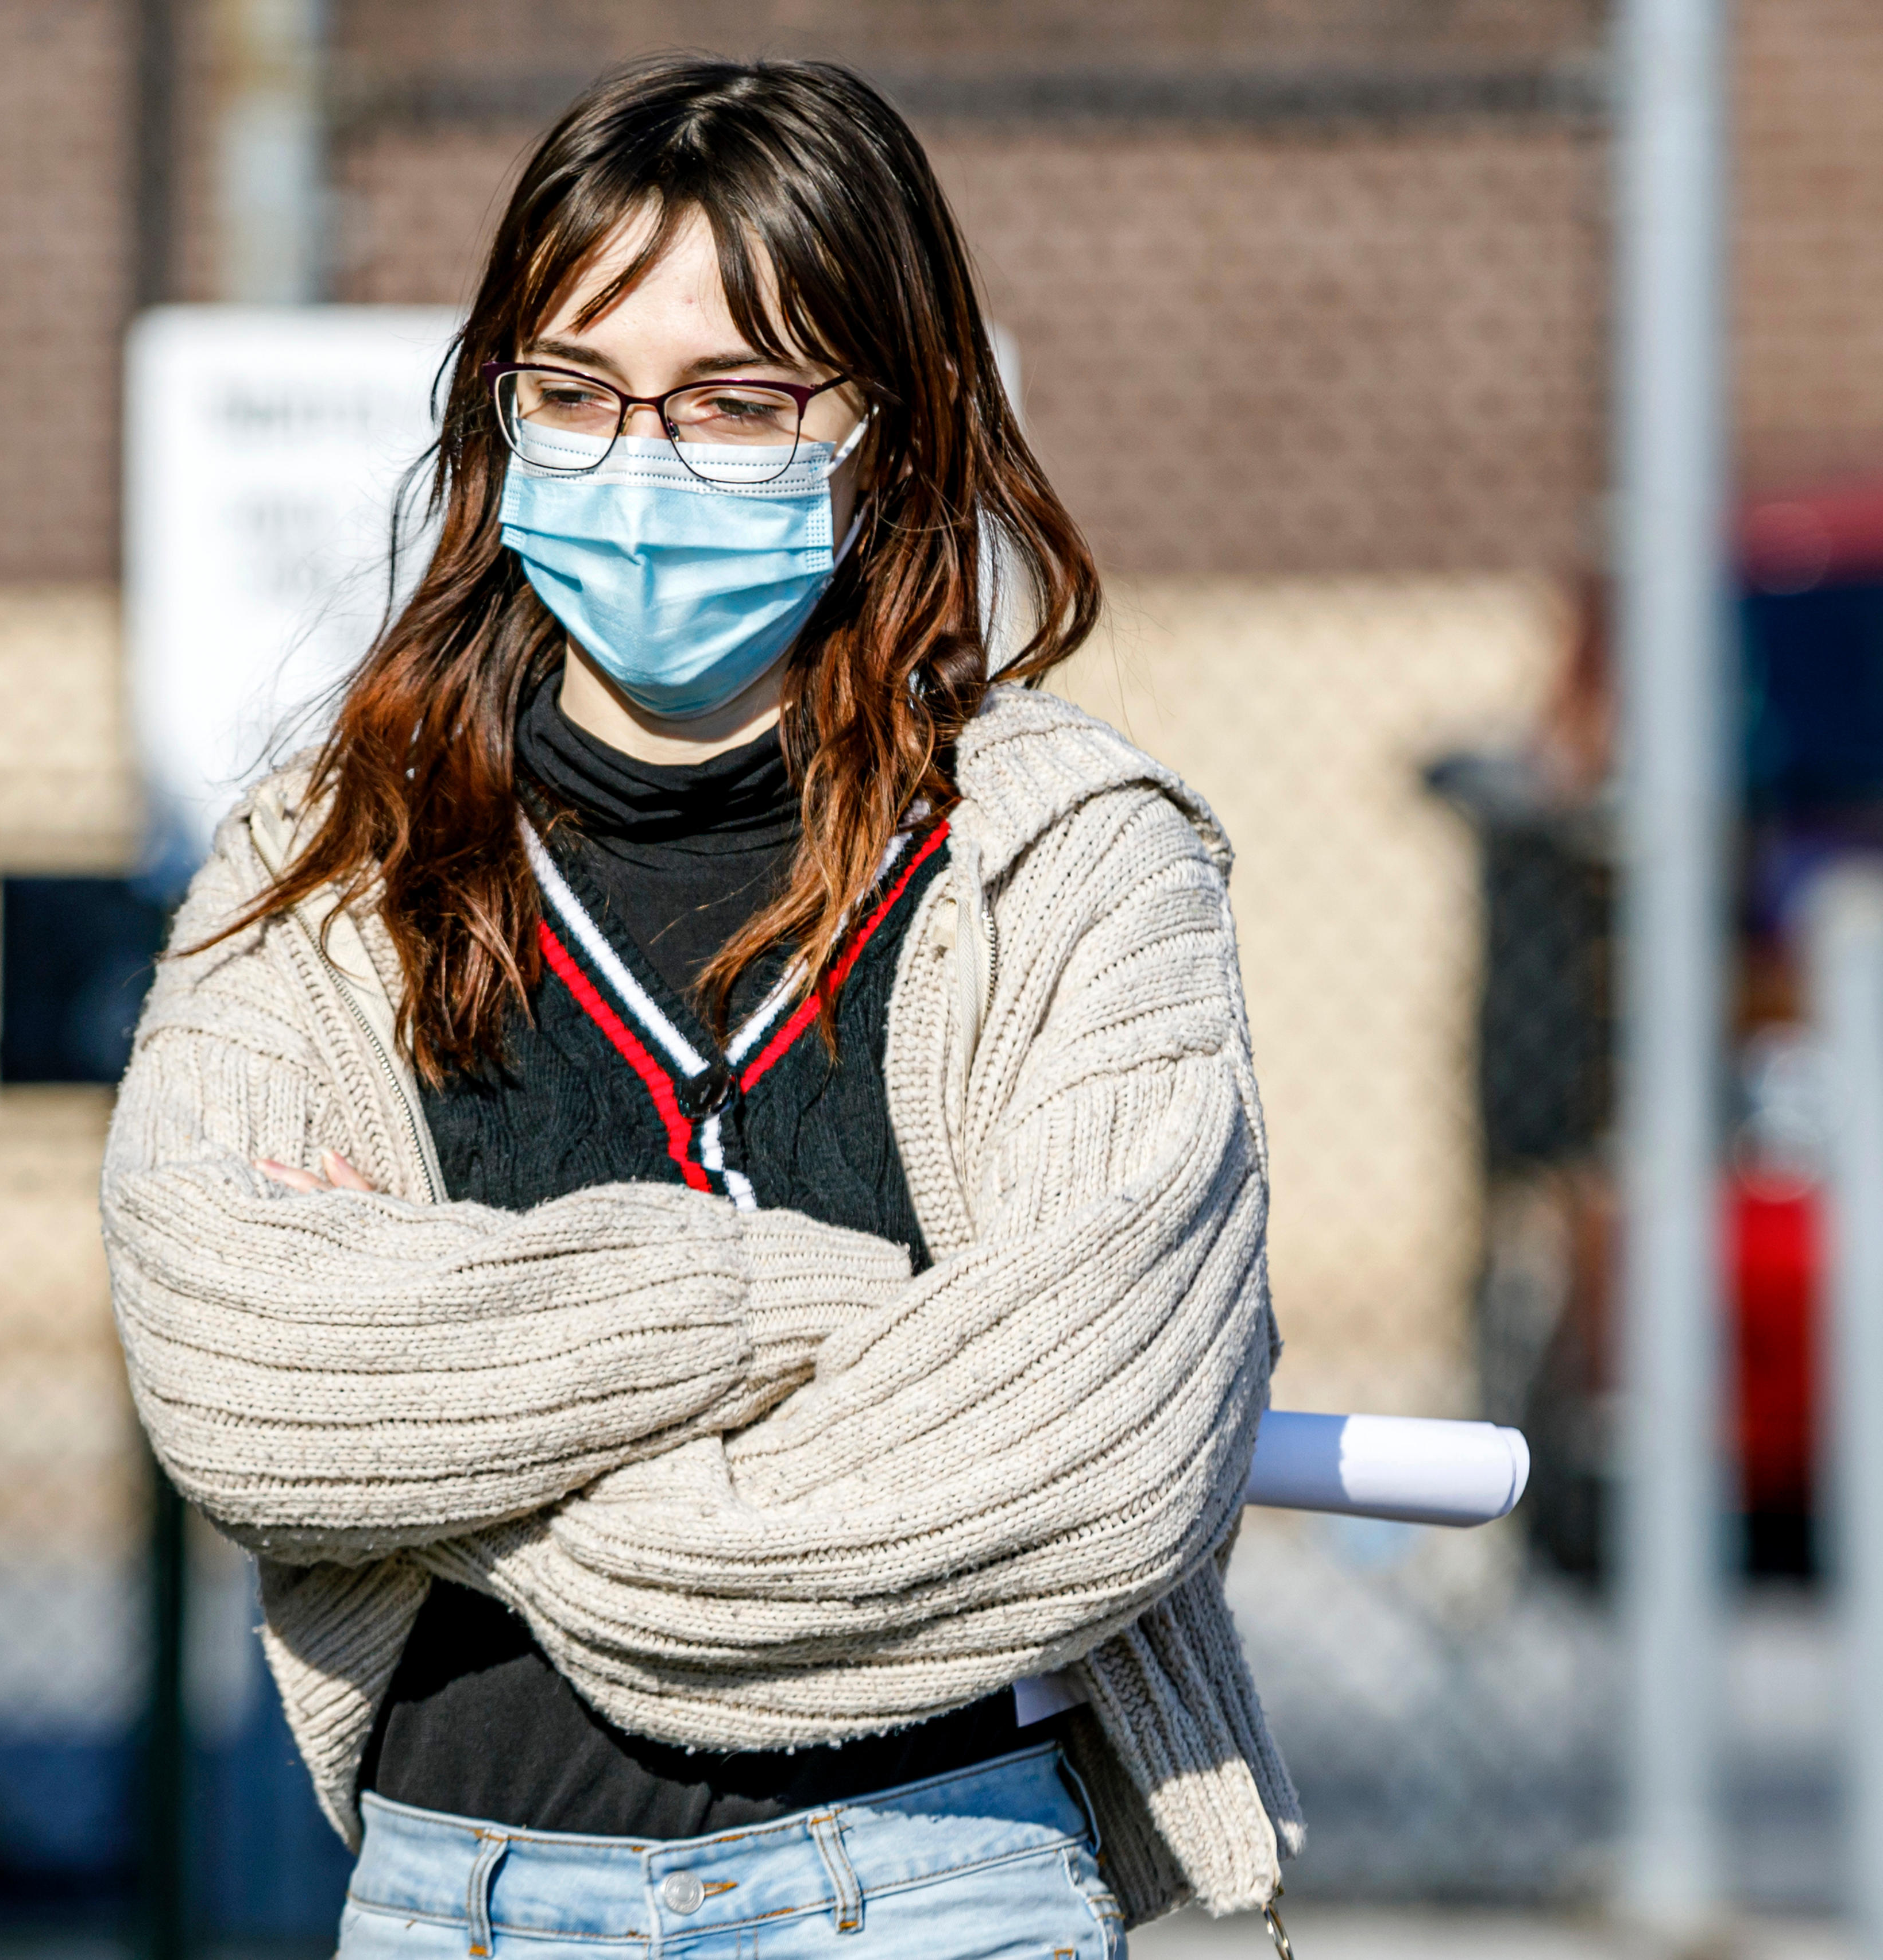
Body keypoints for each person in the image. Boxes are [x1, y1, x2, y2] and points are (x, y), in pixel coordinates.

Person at [103, 53, 1298, 1959]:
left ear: (890, 432)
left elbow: (1101, 1448)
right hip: (451, 1901)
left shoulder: (1071, 860)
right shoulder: (324, 863)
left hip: (928, 1890)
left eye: (738, 405)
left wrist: (492, 1454)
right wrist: (799, 1310)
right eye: (573, 396)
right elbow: (242, 1372)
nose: (638, 466)